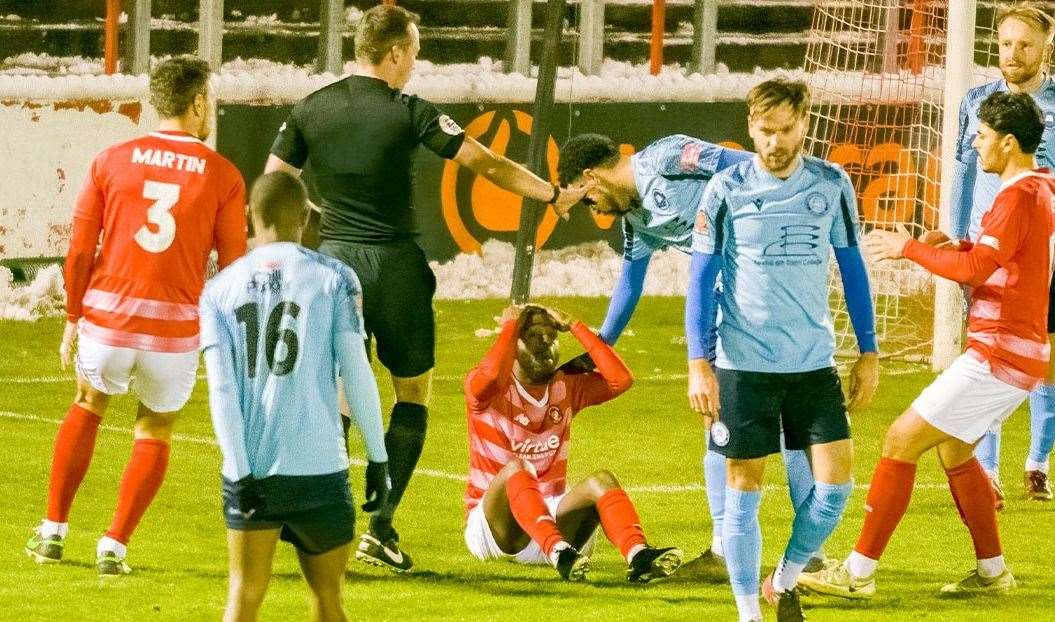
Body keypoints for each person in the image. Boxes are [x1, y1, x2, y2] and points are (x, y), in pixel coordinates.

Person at [263, 4, 585, 571]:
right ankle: (381, 527)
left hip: (336, 268)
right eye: (412, 50)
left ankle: (323, 518)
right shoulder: (408, 110)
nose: (415, 61)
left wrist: (311, 230)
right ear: (392, 52)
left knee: (336, 394)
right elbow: (484, 164)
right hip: (397, 272)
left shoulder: (312, 108)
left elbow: (274, 183)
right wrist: (550, 195)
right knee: (411, 395)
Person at [799, 92, 1055, 600]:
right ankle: (991, 573)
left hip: (998, 353)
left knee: (900, 441)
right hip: (1017, 351)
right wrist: (952, 245)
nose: (974, 143)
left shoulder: (1015, 195)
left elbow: (977, 271)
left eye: (981, 136)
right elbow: (1001, 260)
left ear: (1007, 143)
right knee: (956, 451)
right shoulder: (1042, 187)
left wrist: (909, 248)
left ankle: (857, 572)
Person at [555, 133, 822, 580]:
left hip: (769, 294)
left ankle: (808, 553)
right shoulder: (636, 219)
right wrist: (601, 344)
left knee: (786, 421)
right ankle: (727, 552)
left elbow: (747, 163)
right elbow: (630, 282)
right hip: (727, 310)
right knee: (719, 421)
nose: (594, 210)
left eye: (588, 200)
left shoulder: (670, 156)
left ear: (590, 178)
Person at [24, 56, 247, 577]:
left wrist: (73, 315)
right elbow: (235, 266)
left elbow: (80, 249)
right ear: (196, 103)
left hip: (109, 319)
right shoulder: (224, 175)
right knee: (155, 429)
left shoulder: (111, 159)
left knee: (87, 403)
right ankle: (114, 545)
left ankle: (53, 530)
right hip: (173, 330)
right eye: (209, 100)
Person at [685, 78, 879, 622]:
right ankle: (749, 613)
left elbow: (853, 269)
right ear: (750, 126)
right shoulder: (724, 190)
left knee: (835, 489)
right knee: (744, 491)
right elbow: (700, 281)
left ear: (805, 126)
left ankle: (785, 577)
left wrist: (869, 351)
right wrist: (698, 363)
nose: (774, 142)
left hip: (813, 363)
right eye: (764, 130)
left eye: (785, 130)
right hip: (742, 366)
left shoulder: (831, 183)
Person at [201, 171, 390, 622]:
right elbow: (357, 371)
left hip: (255, 470)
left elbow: (222, 391)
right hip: (320, 469)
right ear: (305, 216)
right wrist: (378, 459)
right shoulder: (335, 278)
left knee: (243, 597)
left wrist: (239, 471)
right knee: (328, 599)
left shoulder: (218, 291)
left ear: (250, 215)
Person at [463, 304, 682, 582]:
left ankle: (638, 556)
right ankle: (560, 553)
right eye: (533, 336)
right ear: (513, 343)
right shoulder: (486, 389)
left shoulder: (566, 386)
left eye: (551, 337)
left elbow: (621, 380)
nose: (545, 344)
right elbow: (492, 374)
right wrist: (509, 326)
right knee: (519, 468)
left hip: (550, 524)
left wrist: (576, 325)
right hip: (496, 531)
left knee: (602, 480)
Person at [950, 2, 1055, 506]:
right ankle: (987, 470)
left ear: (1045, 49)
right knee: (988, 360)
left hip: (1047, 254)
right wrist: (956, 235)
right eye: (1006, 44)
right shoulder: (976, 100)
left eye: (1024, 45)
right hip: (990, 250)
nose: (1013, 54)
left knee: (1045, 361)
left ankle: (1037, 463)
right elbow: (963, 172)